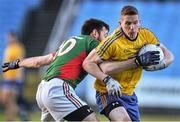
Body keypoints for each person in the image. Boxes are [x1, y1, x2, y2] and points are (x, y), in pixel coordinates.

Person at [2, 18, 110, 121]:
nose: (106, 40)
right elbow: (106, 66)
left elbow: (39, 62)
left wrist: (18, 63)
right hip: (58, 89)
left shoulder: (70, 42)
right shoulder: (93, 42)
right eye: (105, 35)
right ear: (95, 34)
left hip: (42, 90)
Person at [82, 5, 174, 121]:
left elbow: (169, 56)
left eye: (135, 23)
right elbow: (87, 63)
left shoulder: (146, 35)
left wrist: (159, 65)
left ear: (139, 22)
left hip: (129, 94)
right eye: (127, 23)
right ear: (120, 23)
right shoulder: (112, 42)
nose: (132, 27)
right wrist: (107, 79)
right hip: (108, 92)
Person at [0, 31, 28, 121]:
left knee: (10, 99)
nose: (8, 39)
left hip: (15, 78)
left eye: (9, 37)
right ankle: (20, 113)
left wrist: (19, 77)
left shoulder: (19, 48)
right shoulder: (8, 48)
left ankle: (9, 119)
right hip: (7, 77)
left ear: (14, 37)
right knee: (6, 100)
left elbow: (21, 62)